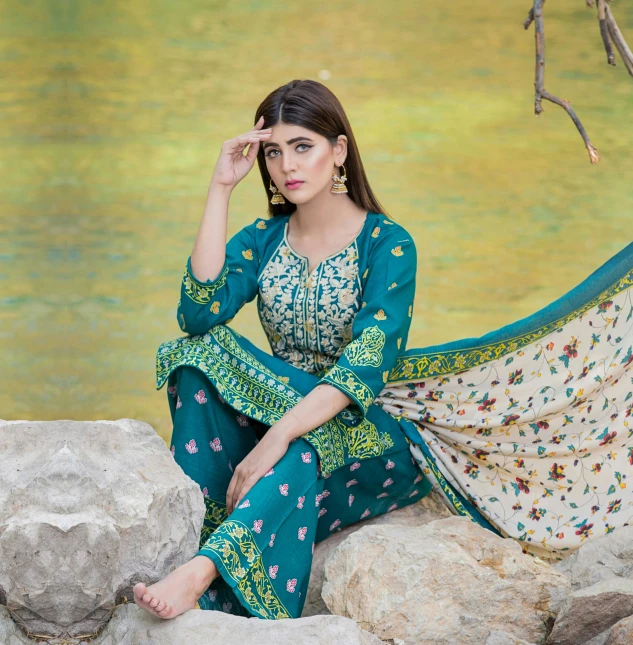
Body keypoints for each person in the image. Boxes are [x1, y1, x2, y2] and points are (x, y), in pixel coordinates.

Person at [134, 79, 633, 621]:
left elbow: (363, 368)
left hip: (369, 430)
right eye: (274, 152)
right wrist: (220, 187)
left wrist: (275, 437)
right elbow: (197, 311)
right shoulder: (262, 240)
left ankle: (202, 571)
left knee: (305, 447)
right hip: (280, 414)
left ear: (339, 150)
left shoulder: (387, 245)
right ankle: (205, 532)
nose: (286, 166)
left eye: (303, 146)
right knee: (196, 354)